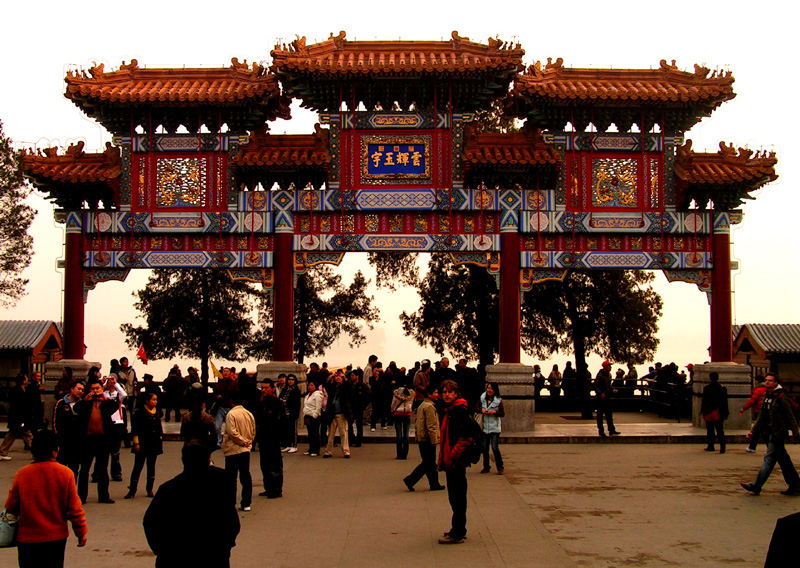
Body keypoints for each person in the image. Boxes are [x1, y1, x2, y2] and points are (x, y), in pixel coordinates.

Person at [144, 442, 239, 568]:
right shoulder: (223, 481)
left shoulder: (168, 489)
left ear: (183, 460)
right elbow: (231, 519)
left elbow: (150, 522)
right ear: (208, 459)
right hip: (214, 554)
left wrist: (163, 551)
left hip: (176, 557)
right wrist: (226, 545)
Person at [4, 430, 88, 568]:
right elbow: (74, 510)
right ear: (56, 450)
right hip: (55, 538)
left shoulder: (22, 474)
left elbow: (11, 506)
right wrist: (81, 533)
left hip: (27, 539)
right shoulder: (65, 474)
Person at [741, 372, 800, 496]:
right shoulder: (766, 396)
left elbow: (790, 417)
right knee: (783, 460)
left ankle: (756, 485)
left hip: (777, 433)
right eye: (766, 380)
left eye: (770, 380)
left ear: (776, 383)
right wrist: (753, 431)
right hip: (768, 433)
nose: (767, 382)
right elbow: (761, 416)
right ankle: (795, 485)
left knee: (769, 459)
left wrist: (796, 433)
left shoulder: (781, 397)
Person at [437, 380, 473, 544]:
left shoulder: (460, 411)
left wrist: (452, 455)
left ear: (456, 393)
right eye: (444, 392)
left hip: (456, 462)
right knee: (455, 497)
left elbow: (466, 437)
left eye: (450, 392)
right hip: (451, 461)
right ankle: (457, 528)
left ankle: (458, 532)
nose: (446, 394)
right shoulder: (449, 410)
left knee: (457, 497)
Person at [73, 379, 119, 504]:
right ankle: (81, 496)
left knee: (103, 469)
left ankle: (104, 496)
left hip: (102, 440)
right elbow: (76, 408)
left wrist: (104, 399)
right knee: (84, 470)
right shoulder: (85, 403)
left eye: (97, 388)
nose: (95, 391)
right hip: (87, 440)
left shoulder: (106, 403)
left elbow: (115, 406)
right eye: (92, 389)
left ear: (102, 389)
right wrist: (85, 400)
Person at [403, 384, 444, 492]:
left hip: (422, 437)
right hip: (427, 438)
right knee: (428, 463)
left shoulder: (422, 405)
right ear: (429, 394)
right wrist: (435, 439)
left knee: (429, 463)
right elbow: (431, 425)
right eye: (435, 393)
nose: (437, 395)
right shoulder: (430, 407)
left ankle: (434, 484)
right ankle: (410, 480)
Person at [124, 392, 163, 499]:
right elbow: (135, 429)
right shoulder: (139, 413)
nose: (155, 402)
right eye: (153, 400)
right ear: (147, 401)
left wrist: (160, 438)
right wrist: (136, 443)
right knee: (138, 466)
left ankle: (149, 488)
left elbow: (159, 428)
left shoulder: (157, 413)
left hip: (154, 444)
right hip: (142, 443)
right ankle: (132, 490)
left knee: (151, 466)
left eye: (156, 400)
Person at [223, 391, 256, 511]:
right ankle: (246, 502)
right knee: (245, 475)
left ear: (231, 401)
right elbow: (253, 430)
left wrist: (242, 441)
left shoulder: (231, 414)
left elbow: (232, 432)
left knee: (231, 478)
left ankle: (231, 502)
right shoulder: (248, 414)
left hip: (233, 449)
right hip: (245, 449)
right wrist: (248, 442)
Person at [256, 380, 284, 498]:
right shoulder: (260, 403)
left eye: (266, 388)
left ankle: (276, 489)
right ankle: (268, 487)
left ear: (272, 388)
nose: (263, 390)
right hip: (263, 438)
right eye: (262, 388)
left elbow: (282, 420)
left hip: (273, 438)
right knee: (264, 465)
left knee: (275, 465)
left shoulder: (277, 403)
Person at [52, 379, 85, 477]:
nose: (80, 392)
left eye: (82, 390)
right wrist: (58, 439)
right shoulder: (61, 403)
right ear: (72, 389)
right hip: (63, 443)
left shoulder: (83, 405)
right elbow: (55, 422)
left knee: (73, 470)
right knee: (60, 470)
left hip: (77, 444)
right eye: (78, 389)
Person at [0, 374, 34, 460]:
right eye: (26, 379)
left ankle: (2, 452)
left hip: (17, 418)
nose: (27, 380)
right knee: (27, 435)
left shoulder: (19, 390)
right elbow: (20, 406)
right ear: (23, 381)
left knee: (12, 435)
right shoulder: (18, 391)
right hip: (19, 418)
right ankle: (38, 452)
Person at [323, 370, 352, 459]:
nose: (338, 378)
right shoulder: (332, 388)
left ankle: (346, 451)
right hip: (332, 413)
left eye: (340, 377)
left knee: (343, 433)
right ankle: (328, 451)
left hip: (342, 413)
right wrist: (331, 377)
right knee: (331, 434)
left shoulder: (345, 387)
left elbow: (350, 388)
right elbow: (326, 386)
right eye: (337, 377)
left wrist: (345, 379)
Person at [478, 382, 505, 475]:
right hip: (485, 427)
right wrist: (481, 409)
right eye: (488, 388)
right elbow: (476, 408)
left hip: (495, 427)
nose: (489, 390)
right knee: (485, 448)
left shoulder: (498, 400)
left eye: (491, 389)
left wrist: (494, 412)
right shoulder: (482, 398)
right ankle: (486, 467)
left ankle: (500, 467)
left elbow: (502, 413)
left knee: (494, 447)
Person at [701, 371, 729, 453]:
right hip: (719, 412)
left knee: (710, 430)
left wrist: (703, 411)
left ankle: (711, 445)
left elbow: (704, 401)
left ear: (710, 378)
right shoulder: (722, 389)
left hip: (709, 412)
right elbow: (724, 402)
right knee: (720, 430)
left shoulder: (706, 388)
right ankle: (722, 446)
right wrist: (726, 413)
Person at [741, 376, 768, 452]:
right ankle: (752, 446)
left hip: (758, 411)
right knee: (758, 430)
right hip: (765, 411)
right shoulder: (767, 389)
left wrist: (744, 408)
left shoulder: (758, 390)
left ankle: (754, 447)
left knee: (760, 430)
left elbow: (752, 400)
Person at [594, 361, 619, 438]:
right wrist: (600, 393)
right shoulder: (600, 376)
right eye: (609, 366)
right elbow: (595, 386)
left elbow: (609, 386)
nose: (610, 367)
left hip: (607, 397)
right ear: (605, 367)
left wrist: (612, 389)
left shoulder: (608, 375)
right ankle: (601, 431)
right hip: (601, 398)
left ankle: (611, 429)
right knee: (600, 415)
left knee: (609, 414)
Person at [212, 367, 237, 448]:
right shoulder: (218, 384)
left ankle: (230, 441)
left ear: (230, 373)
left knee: (230, 427)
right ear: (222, 373)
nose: (225, 373)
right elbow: (214, 394)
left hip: (230, 407)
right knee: (217, 426)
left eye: (227, 371)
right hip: (221, 407)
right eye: (224, 371)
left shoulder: (234, 383)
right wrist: (217, 396)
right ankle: (219, 441)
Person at [391, 382, 414, 459]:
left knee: (399, 434)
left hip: (398, 413)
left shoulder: (396, 394)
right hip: (407, 414)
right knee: (406, 434)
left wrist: (393, 410)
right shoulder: (410, 394)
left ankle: (399, 454)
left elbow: (393, 404)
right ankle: (405, 454)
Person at [279, 374, 301, 453]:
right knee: (287, 429)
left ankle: (294, 445)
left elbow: (297, 403)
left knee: (293, 430)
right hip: (285, 412)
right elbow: (281, 397)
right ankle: (288, 444)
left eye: (292, 380)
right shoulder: (286, 389)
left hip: (292, 412)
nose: (290, 381)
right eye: (289, 380)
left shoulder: (296, 390)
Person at [303, 379, 323, 456]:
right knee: (310, 434)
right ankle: (310, 448)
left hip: (314, 416)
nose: (310, 387)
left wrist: (315, 415)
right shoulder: (308, 395)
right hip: (307, 415)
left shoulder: (317, 395)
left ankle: (316, 450)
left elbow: (318, 406)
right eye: (309, 385)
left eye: (312, 385)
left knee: (315, 434)